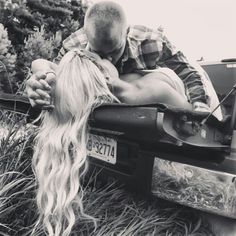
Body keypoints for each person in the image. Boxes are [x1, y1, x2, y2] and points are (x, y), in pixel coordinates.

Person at [32, 48, 199, 236]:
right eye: (103, 57)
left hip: (176, 86)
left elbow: (194, 117)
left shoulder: (148, 90)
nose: (110, 58)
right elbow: (43, 63)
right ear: (102, 72)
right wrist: (42, 72)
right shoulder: (79, 82)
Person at [26, 0, 216, 115]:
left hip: (143, 96)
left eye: (114, 50)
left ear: (126, 32)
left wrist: (199, 106)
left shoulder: (150, 42)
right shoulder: (73, 45)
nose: (107, 59)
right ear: (87, 35)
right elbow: (57, 76)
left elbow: (187, 72)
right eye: (99, 52)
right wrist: (43, 87)